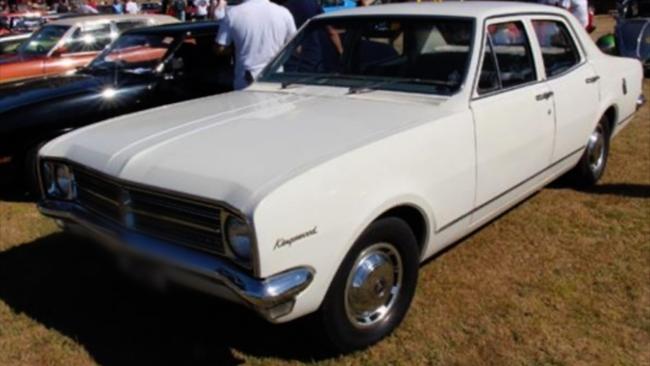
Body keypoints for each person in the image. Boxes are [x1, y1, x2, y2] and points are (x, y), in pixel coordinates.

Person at [215, 0, 296, 90]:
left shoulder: (233, 14)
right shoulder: (284, 12)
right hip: (275, 79)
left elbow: (220, 49)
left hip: (246, 82)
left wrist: (237, 46)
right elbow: (296, 47)